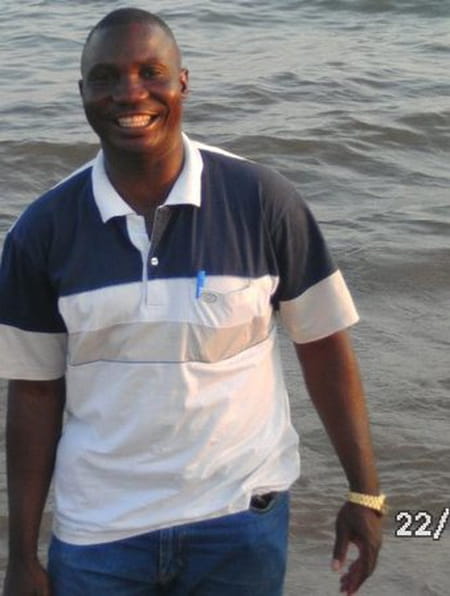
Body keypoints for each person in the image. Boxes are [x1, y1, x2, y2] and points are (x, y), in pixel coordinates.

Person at [0, 7, 384, 596]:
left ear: (183, 81)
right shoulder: (42, 231)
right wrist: (22, 554)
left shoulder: (263, 201)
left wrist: (365, 493)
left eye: (150, 72)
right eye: (105, 77)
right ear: (82, 94)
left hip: (240, 521)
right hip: (99, 533)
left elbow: (325, 349)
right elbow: (34, 393)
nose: (130, 93)